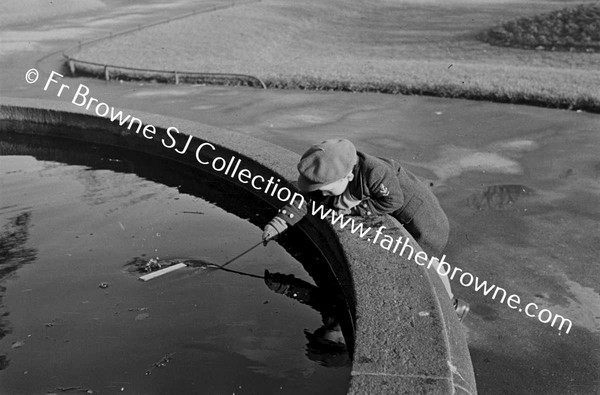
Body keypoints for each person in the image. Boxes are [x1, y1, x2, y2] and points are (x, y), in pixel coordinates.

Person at [262, 138, 469, 321]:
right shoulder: (340, 174)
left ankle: (451, 307)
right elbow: (305, 201)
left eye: (324, 189)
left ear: (348, 178)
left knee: (426, 262)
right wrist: (278, 224)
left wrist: (357, 208)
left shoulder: (375, 172)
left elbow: (394, 201)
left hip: (422, 222)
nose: (321, 194)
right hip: (402, 218)